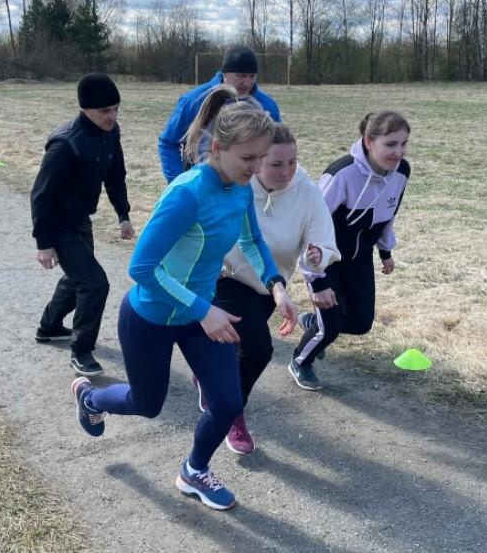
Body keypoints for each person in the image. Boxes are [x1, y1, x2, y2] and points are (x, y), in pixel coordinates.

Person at [71, 85, 298, 511]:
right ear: (217, 147)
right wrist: (203, 309)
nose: (255, 168)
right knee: (147, 404)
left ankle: (194, 471)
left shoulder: (241, 189)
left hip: (201, 315)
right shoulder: (187, 193)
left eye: (260, 158)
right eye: (247, 158)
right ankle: (90, 398)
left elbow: (252, 241)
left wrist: (277, 286)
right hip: (152, 316)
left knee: (228, 402)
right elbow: (141, 268)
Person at [214, 122, 340, 453]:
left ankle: (213, 379)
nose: (286, 172)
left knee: (233, 346)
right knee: (257, 349)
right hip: (226, 276)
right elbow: (203, 223)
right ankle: (232, 412)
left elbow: (325, 239)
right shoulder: (237, 183)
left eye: (292, 162)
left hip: (272, 285)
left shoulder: (307, 190)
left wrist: (318, 254)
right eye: (276, 164)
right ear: (257, 162)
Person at [291, 110, 411, 390]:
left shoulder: (402, 172)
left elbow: (388, 214)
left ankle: (314, 323)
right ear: (369, 142)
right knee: (330, 327)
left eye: (404, 144)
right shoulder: (341, 174)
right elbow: (308, 227)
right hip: (325, 260)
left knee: (360, 323)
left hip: (359, 258)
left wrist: (385, 251)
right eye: (390, 144)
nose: (398, 152)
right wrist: (317, 279)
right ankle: (300, 361)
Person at [31, 73, 134, 376]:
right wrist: (43, 242)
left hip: (80, 221)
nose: (112, 116)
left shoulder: (110, 133)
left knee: (78, 278)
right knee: (94, 283)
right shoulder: (66, 144)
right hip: (58, 224)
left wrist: (123, 214)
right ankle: (81, 351)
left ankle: (49, 326)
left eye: (116, 108)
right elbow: (41, 194)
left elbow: (116, 177)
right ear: (86, 108)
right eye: (105, 110)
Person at [157, 44, 281, 182]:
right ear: (224, 73)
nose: (247, 82)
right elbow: (168, 143)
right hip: (203, 186)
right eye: (241, 75)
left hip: (248, 188)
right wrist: (178, 182)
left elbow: (277, 147)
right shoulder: (194, 100)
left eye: (252, 76)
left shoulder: (267, 105)